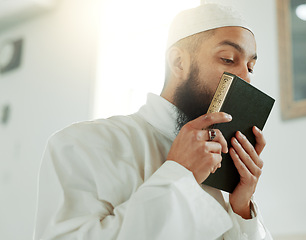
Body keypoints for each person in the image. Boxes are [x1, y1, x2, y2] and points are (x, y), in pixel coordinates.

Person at [34, 3, 273, 240]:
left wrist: (242, 210)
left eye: (250, 67)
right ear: (179, 62)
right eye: (228, 59)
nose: (245, 79)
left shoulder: (221, 167)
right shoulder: (80, 145)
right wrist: (179, 176)